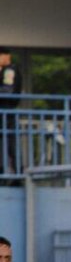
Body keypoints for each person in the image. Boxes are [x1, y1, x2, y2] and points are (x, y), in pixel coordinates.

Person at [0, 47, 22, 184]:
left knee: (10, 144)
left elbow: (7, 90)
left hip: (6, 110)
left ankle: (17, 175)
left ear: (6, 56)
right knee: (7, 143)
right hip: (5, 110)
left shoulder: (9, 70)